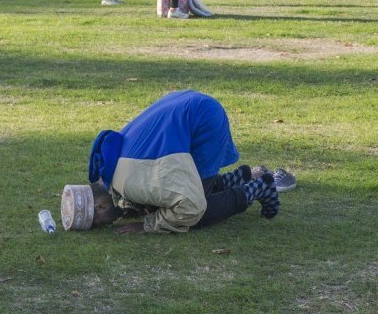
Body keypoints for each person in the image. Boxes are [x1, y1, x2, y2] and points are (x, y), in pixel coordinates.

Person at [78, 90, 293, 234]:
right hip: (190, 106)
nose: (107, 224)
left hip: (202, 120)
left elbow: (191, 206)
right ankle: (242, 177)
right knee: (169, 200)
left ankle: (260, 186)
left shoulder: (129, 182)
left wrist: (146, 225)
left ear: (100, 205)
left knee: (193, 213)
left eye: (99, 222)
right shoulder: (107, 171)